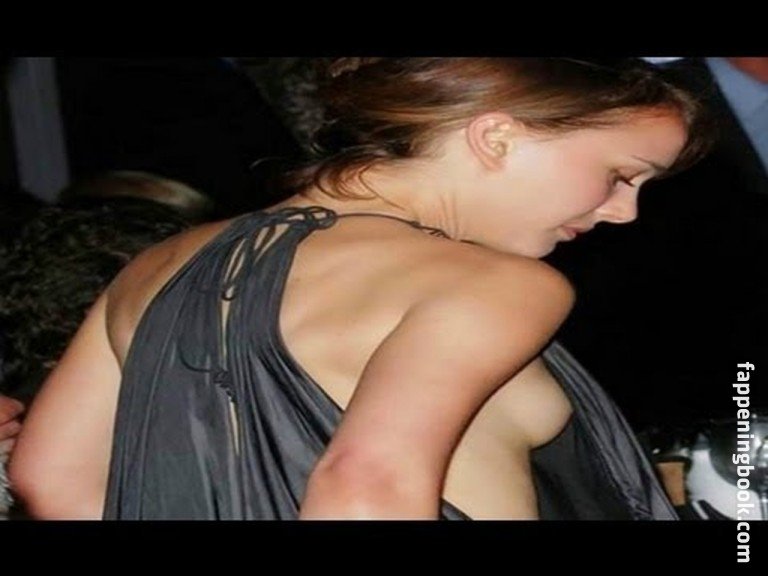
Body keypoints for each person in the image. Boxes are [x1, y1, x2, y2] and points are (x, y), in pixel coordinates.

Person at [8, 58, 711, 520]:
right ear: (497, 137)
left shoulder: (158, 264)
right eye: (621, 174)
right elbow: (365, 489)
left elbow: (51, 477)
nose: (625, 211)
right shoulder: (494, 284)